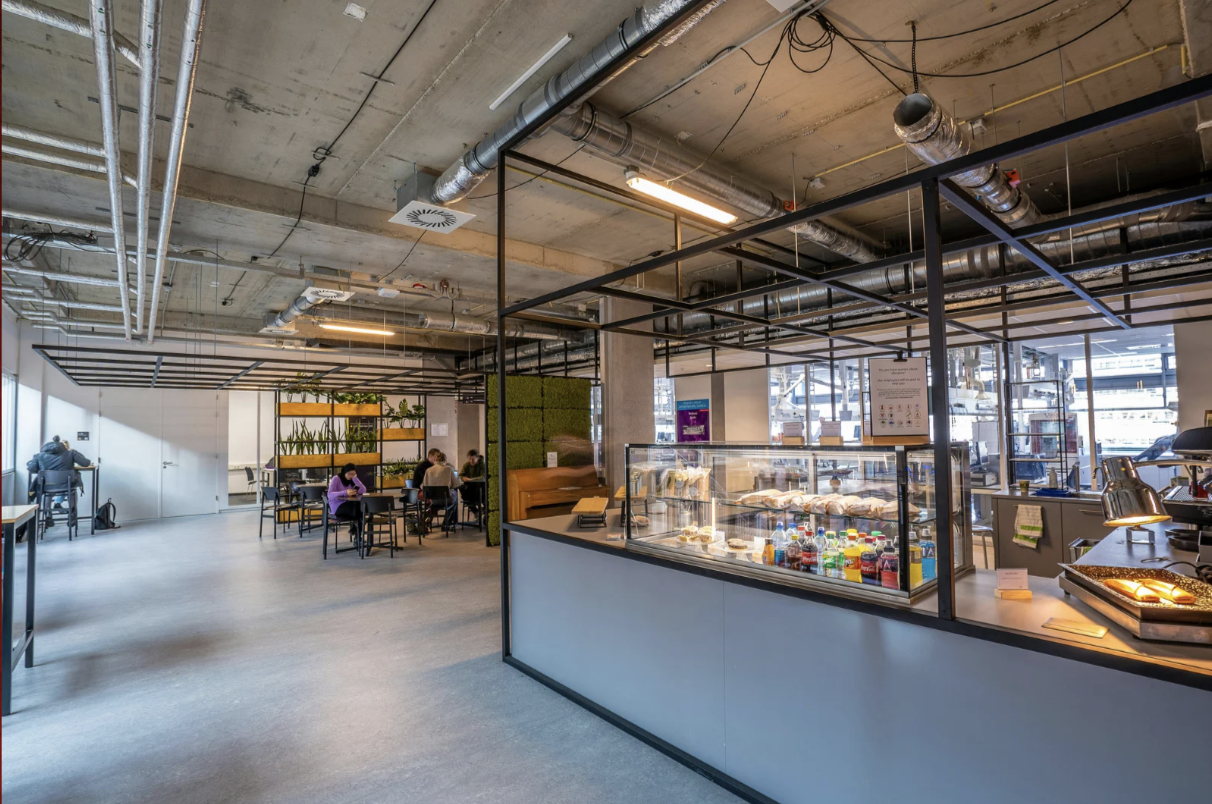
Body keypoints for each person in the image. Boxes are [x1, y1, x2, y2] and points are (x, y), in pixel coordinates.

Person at [27, 435, 92, 520]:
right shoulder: (71, 453)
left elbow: (31, 469)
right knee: (72, 490)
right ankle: (72, 513)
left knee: (48, 492)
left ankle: (47, 514)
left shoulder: (39, 456)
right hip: (67, 485)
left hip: (47, 486)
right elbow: (86, 463)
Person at [421, 452, 462, 529]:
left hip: (433, 500)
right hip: (446, 500)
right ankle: (446, 523)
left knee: (448, 497)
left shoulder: (428, 470)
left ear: (435, 460)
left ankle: (430, 511)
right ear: (445, 460)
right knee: (455, 496)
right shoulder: (448, 469)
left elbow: (423, 486)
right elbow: (456, 484)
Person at [327, 463, 366, 539]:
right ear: (344, 472)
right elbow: (330, 494)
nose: (351, 476)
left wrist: (355, 479)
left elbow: (363, 490)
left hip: (349, 504)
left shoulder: (353, 480)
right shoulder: (336, 479)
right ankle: (357, 536)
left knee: (362, 509)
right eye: (349, 474)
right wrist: (345, 492)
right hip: (337, 506)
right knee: (359, 511)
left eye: (353, 474)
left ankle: (356, 532)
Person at [459, 449, 485, 515]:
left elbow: (484, 477)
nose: (471, 461)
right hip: (471, 488)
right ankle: (476, 512)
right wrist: (463, 478)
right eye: (469, 459)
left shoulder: (483, 465)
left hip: (481, 489)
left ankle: (485, 510)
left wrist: (471, 480)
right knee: (461, 489)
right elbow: (460, 475)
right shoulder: (466, 465)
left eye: (473, 459)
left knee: (484, 489)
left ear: (478, 458)